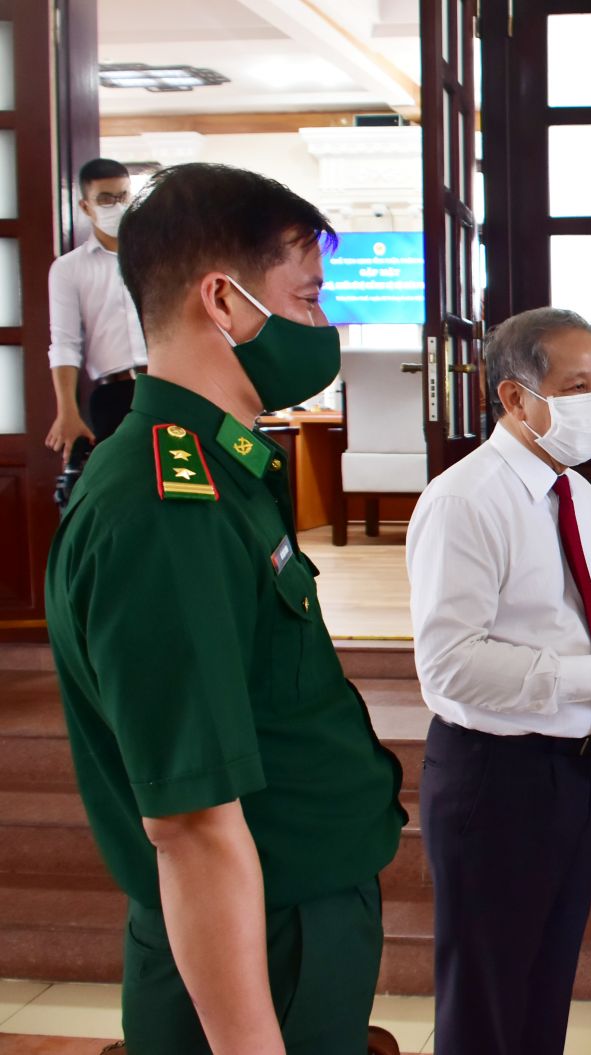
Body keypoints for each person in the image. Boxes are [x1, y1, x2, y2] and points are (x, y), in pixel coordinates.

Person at [44, 163, 406, 1054]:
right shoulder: (166, 507)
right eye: (308, 298)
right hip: (257, 946)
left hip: (290, 920)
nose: (323, 324)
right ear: (224, 302)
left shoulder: (220, 468)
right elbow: (193, 824)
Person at [408, 307, 591, 1055]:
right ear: (515, 398)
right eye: (576, 387)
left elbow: (578, 615)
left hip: (572, 771)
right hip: (495, 777)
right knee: (488, 1001)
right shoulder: (465, 500)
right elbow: (449, 662)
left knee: (544, 984)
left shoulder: (576, 493)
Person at [46, 158, 148, 459]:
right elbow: (65, 344)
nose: (116, 206)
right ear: (85, 206)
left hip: (164, 385)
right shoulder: (68, 268)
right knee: (121, 476)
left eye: (122, 196)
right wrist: (67, 411)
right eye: (105, 199)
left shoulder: (157, 257)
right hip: (113, 394)